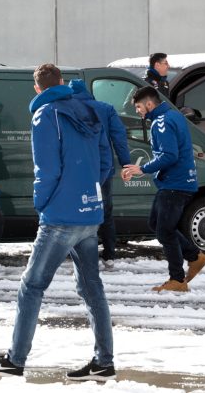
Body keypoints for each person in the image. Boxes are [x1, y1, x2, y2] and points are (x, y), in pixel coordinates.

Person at [0, 63, 115, 382]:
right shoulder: (89, 110)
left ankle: (15, 361)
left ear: (38, 89)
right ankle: (104, 362)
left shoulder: (45, 115)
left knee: (32, 286)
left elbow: (47, 170)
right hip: (89, 213)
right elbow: (105, 162)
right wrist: (86, 190)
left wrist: (42, 204)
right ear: (63, 83)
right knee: (91, 287)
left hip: (60, 217)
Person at [121, 86, 205, 292]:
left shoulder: (162, 122)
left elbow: (169, 155)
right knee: (156, 223)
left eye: (139, 107)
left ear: (149, 104)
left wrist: (142, 168)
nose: (138, 111)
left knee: (165, 230)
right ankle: (195, 257)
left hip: (175, 183)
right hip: (177, 182)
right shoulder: (172, 115)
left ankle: (178, 279)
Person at [68, 79, 131, 269]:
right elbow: (119, 137)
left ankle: (83, 254)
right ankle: (110, 254)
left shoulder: (66, 109)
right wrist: (126, 163)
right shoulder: (105, 108)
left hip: (78, 170)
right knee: (105, 212)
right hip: (102, 168)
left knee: (80, 211)